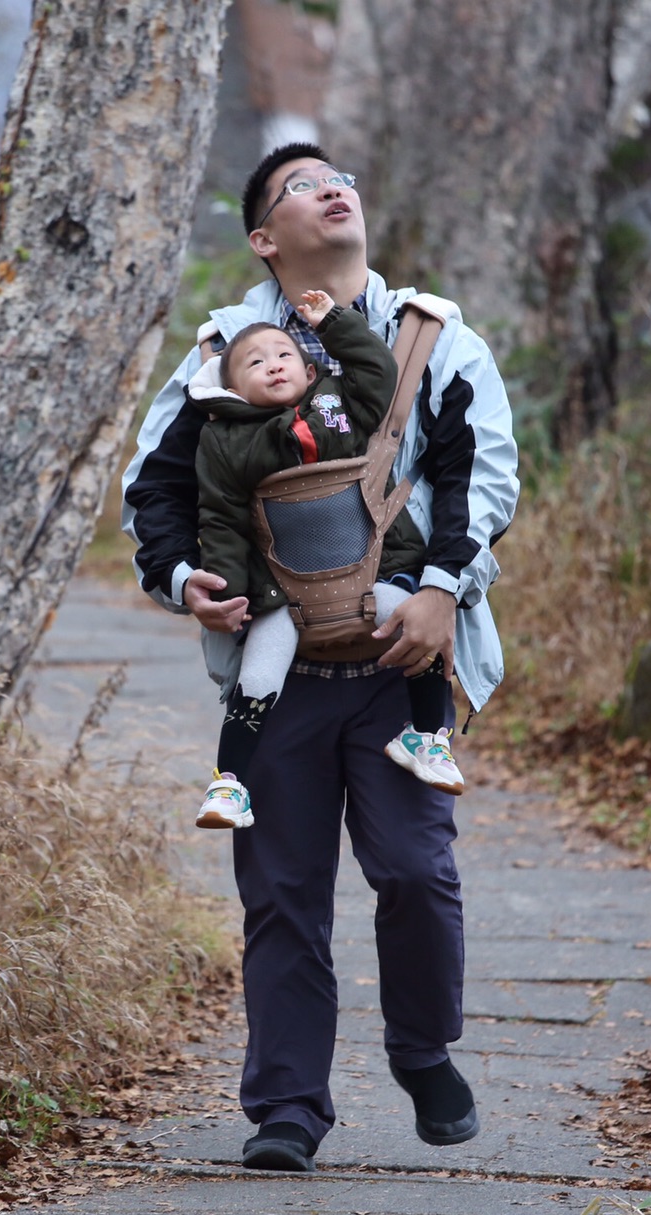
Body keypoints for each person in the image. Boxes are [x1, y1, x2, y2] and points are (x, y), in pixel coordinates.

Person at [121, 142, 519, 1172]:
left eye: (336, 177)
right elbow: (157, 491)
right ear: (264, 238)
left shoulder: (434, 338)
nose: (328, 187)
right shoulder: (223, 353)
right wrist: (181, 580)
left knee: (418, 872)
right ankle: (287, 1108)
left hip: (400, 664)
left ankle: (423, 1049)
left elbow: (486, 477)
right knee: (283, 894)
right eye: (297, 186)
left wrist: (443, 589)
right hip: (282, 671)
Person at [189, 286, 462, 833]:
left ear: (310, 371)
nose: (272, 365)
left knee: (416, 625)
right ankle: (230, 781)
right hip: (283, 595)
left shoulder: (337, 403)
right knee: (258, 673)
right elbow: (219, 518)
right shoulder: (225, 441)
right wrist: (228, 591)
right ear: (230, 387)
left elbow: (378, 374)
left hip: (370, 572)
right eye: (254, 362)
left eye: (284, 354)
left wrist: (332, 322)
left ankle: (427, 737)